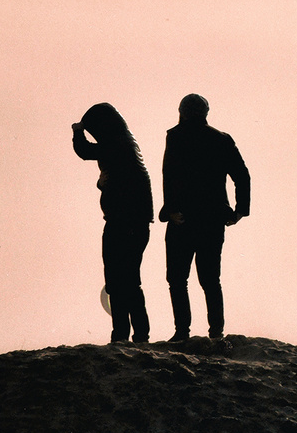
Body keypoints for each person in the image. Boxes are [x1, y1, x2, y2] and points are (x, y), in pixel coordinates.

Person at [160, 94, 250, 340]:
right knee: (210, 279)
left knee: (177, 279)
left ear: (182, 111)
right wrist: (240, 210)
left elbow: (169, 175)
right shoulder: (222, 139)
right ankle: (216, 332)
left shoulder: (175, 136)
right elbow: (242, 175)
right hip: (212, 219)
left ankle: (182, 332)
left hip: (183, 218)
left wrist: (171, 210)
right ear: (206, 113)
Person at [72, 103, 153, 343]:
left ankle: (124, 334)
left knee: (118, 282)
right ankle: (137, 334)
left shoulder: (116, 144)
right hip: (135, 222)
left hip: (122, 222)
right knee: (127, 280)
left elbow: (85, 151)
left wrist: (78, 131)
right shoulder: (127, 144)